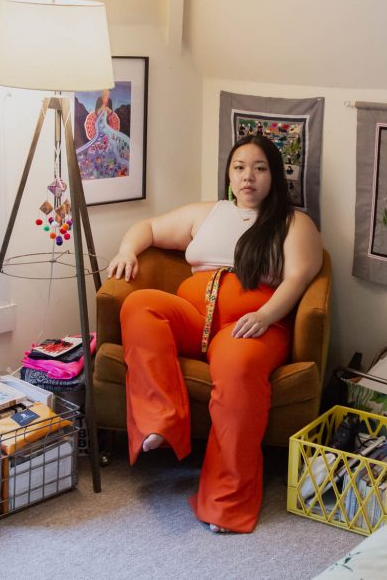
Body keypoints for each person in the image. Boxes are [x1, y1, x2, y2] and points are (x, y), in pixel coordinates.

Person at [106, 134, 323, 534]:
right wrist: (126, 250)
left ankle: (227, 504)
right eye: (240, 167)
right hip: (192, 315)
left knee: (239, 373)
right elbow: (149, 227)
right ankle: (160, 420)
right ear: (228, 172)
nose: (248, 177)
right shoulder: (207, 213)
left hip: (249, 325)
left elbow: (299, 278)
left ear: (274, 175)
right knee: (139, 305)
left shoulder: (294, 223)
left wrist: (266, 313)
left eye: (259, 168)